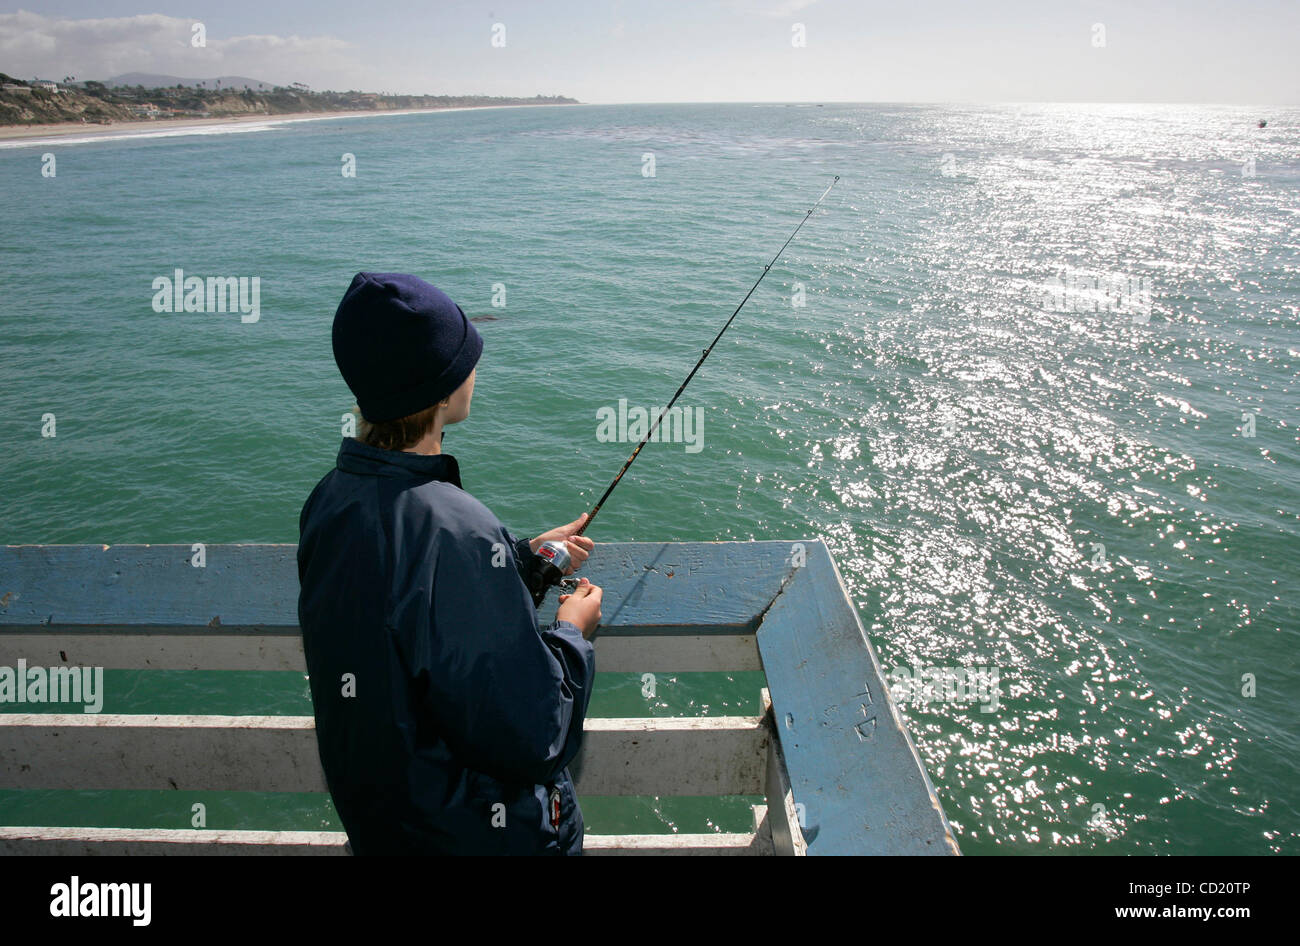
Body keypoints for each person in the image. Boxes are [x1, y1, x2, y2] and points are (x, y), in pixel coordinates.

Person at [297, 271, 603, 855]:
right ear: (438, 387)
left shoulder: (329, 502)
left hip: (390, 833)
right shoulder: (456, 530)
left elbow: (403, 613)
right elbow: (537, 733)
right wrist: (572, 632)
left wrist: (518, 563)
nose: (474, 369)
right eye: (465, 358)